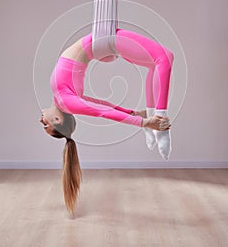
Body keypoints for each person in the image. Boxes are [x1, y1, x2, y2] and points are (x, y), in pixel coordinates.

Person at [38, 28, 174, 216]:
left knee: (161, 60)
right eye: (46, 125)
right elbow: (103, 112)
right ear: (57, 119)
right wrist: (142, 122)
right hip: (103, 41)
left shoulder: (62, 97)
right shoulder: (66, 101)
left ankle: (153, 117)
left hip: (100, 42)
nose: (41, 120)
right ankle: (160, 120)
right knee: (164, 59)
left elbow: (100, 104)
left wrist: (135, 114)